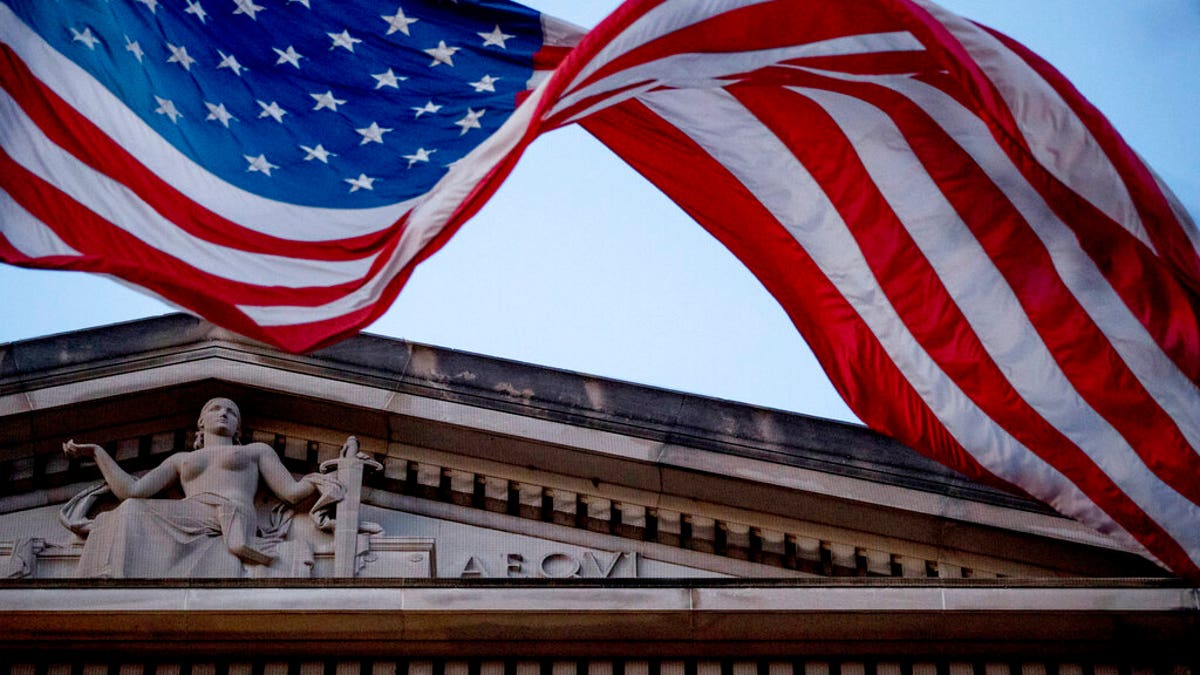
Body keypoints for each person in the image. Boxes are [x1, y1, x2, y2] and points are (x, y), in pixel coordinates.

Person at [63, 397, 338, 578]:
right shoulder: (182, 460)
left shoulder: (256, 451)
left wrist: (321, 479)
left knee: (132, 511)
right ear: (201, 422)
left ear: (237, 428)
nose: (224, 414)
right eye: (216, 409)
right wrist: (97, 453)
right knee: (129, 509)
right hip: (191, 513)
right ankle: (113, 578)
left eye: (232, 412)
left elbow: (290, 492)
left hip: (232, 512)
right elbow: (131, 491)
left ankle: (243, 545)